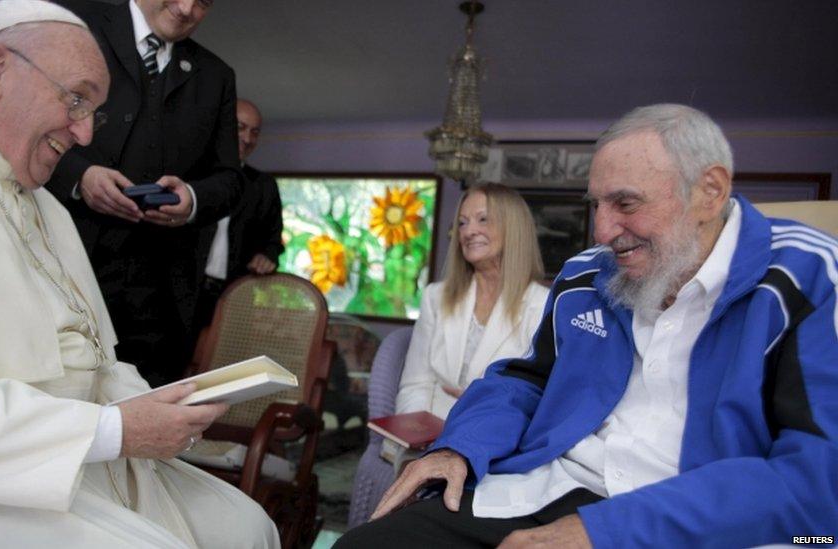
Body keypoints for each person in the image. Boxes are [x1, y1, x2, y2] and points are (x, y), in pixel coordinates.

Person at [0, 2, 278, 547]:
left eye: (94, 112)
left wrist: (160, 407)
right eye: (76, 98)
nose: (84, 135)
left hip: (90, 454)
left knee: (248, 526)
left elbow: (98, 361)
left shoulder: (49, 207)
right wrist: (116, 430)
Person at [337, 104, 838, 548]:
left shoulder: (810, 276)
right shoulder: (585, 274)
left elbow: (816, 478)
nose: (601, 232)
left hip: (695, 518)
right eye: (595, 205)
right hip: (548, 485)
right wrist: (461, 447)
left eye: (626, 203)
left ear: (709, 191)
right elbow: (526, 380)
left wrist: (605, 532)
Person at [47, 0, 243, 387]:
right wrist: (80, 176)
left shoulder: (216, 75)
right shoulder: (70, 26)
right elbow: (20, 125)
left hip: (160, 296)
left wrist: (191, 198)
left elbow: (230, 179)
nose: (187, 9)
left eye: (203, 2)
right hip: (62, 273)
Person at [397, 184, 549, 420]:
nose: (469, 232)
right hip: (426, 433)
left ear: (514, 227)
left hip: (495, 440)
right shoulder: (435, 297)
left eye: (483, 219)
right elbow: (415, 385)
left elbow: (539, 400)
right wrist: (419, 436)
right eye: (463, 223)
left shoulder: (543, 306)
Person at [189, 98, 284, 358]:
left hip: (235, 298)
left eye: (255, 131)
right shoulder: (190, 174)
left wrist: (268, 256)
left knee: (222, 371)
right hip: (181, 293)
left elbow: (273, 241)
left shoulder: (264, 186)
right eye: (240, 127)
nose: (247, 138)